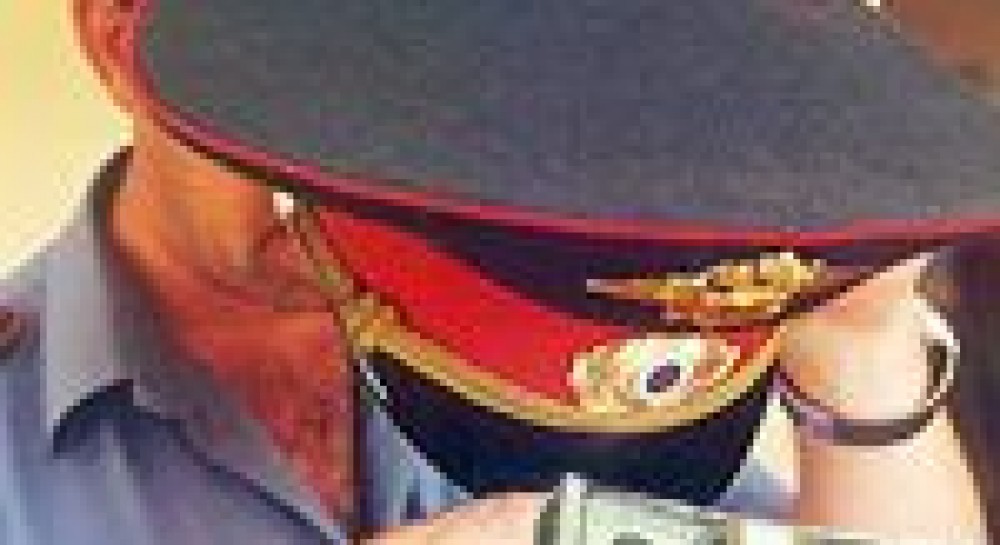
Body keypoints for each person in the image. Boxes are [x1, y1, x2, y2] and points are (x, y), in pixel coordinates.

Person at [1, 0, 998, 543]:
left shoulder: (522, 303)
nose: (372, 181)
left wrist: (862, 345)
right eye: (296, 105)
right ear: (123, 42)